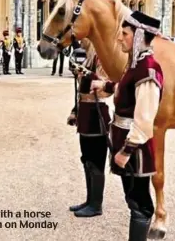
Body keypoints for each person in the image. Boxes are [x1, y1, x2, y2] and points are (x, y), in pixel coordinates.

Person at [91, 11, 164, 240]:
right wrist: (104, 85)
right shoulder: (135, 65)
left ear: (140, 36)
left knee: (140, 203)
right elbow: (126, 90)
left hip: (136, 149)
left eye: (124, 33)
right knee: (132, 199)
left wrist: (126, 151)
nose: (119, 38)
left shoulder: (148, 70)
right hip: (126, 143)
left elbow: (144, 119)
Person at [66, 38, 113, 218]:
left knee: (95, 162)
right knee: (86, 160)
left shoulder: (101, 59)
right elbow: (81, 92)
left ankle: (96, 204)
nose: (79, 41)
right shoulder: (87, 58)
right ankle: (89, 199)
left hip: (96, 113)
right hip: (86, 112)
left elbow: (104, 89)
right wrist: (75, 112)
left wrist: (84, 74)